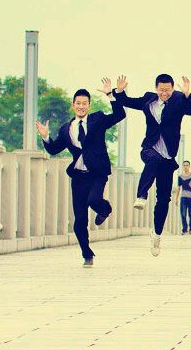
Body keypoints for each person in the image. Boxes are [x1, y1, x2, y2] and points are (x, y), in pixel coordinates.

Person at [37, 76, 126, 267]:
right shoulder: (66, 129)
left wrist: (111, 95)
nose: (81, 106)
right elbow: (53, 150)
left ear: (89, 105)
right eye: (78, 103)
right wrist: (45, 137)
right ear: (73, 105)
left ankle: (105, 209)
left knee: (94, 200)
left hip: (98, 173)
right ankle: (87, 254)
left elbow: (119, 115)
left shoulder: (97, 119)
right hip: (78, 177)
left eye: (84, 103)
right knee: (79, 220)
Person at [118, 74, 191, 257]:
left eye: (168, 90)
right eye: (161, 90)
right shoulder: (148, 99)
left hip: (168, 157)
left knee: (164, 199)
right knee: (153, 160)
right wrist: (119, 91)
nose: (164, 93)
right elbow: (126, 101)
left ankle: (156, 234)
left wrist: (188, 94)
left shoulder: (179, 99)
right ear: (156, 88)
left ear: (172, 88)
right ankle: (141, 195)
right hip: (150, 148)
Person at [175, 160, 191, 235]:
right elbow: (178, 188)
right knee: (183, 214)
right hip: (183, 198)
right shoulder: (180, 177)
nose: (185, 167)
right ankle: (184, 229)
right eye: (184, 165)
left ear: (189, 166)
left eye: (187, 165)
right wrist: (176, 199)